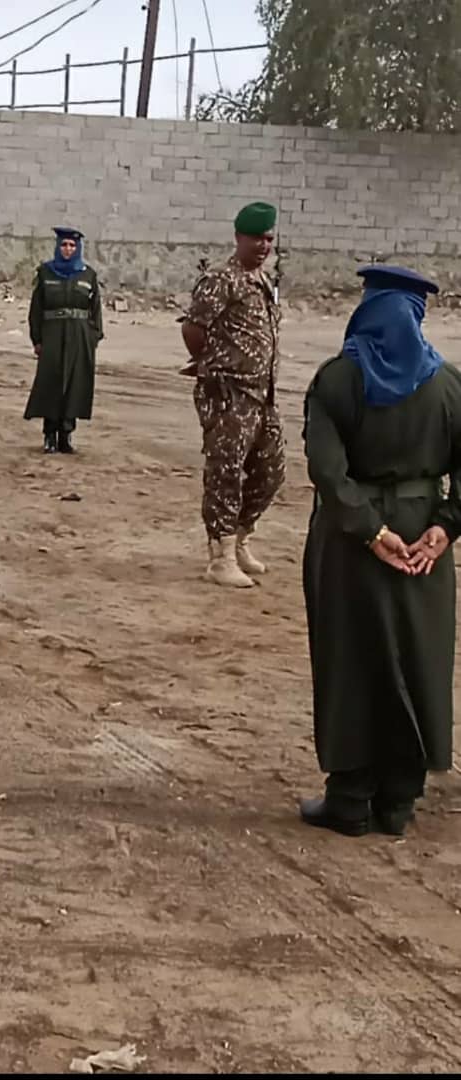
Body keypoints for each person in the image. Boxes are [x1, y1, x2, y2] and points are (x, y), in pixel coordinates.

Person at [301, 265, 461, 838]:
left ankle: (349, 799)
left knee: (350, 659)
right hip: (423, 542)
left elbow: (327, 470)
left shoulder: (338, 380)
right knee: (419, 659)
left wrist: (371, 531)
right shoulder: (449, 386)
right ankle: (399, 801)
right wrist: (446, 528)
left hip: (350, 543)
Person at [180, 202, 285, 587]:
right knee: (225, 473)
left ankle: (240, 538)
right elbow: (193, 329)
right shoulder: (220, 279)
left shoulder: (263, 280)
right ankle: (220, 556)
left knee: (271, 470)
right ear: (239, 237)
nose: (263, 246)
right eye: (256, 238)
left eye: (268, 239)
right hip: (228, 393)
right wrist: (213, 365)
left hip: (262, 395)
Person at [24, 227, 103, 454]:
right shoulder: (46, 273)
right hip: (53, 334)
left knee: (74, 384)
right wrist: (37, 339)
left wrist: (93, 337)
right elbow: (36, 309)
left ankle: (66, 435)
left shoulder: (88, 275)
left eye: (72, 245)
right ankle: (50, 434)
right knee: (51, 382)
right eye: (64, 245)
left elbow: (95, 310)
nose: (68, 249)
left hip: (79, 336)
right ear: (58, 247)